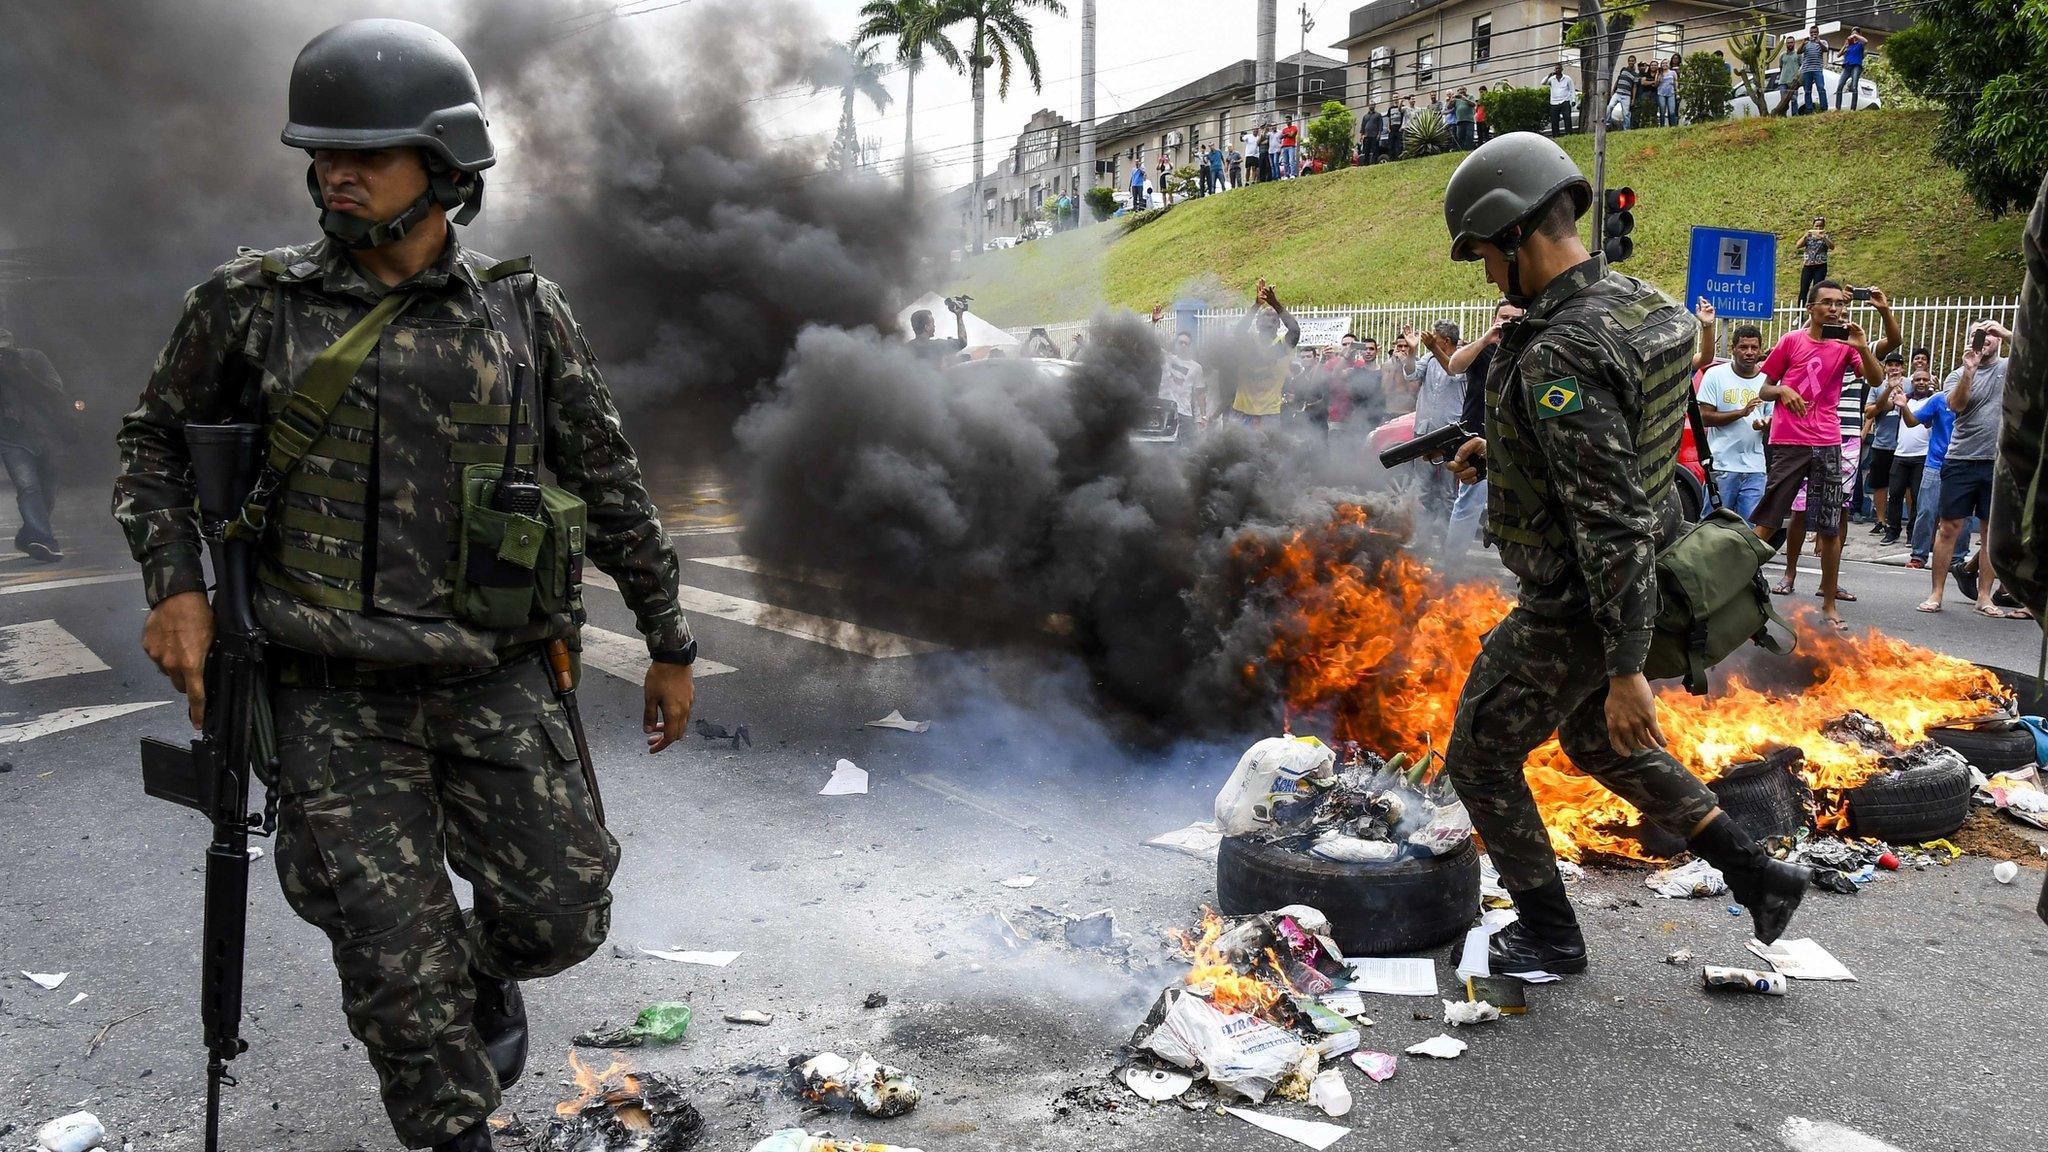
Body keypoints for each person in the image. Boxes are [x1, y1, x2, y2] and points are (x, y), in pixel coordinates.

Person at [111, 20, 699, 1152]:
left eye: (365, 152)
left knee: (563, 912)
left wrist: (669, 640)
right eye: (322, 151)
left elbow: (608, 478)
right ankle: (451, 1123)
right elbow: (152, 444)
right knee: (391, 951)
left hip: (495, 674)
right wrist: (175, 583)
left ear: (444, 165)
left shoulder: (523, 316)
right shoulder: (250, 305)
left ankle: (478, 974)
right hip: (330, 694)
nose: (335, 171)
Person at [1437, 132, 1810, 974]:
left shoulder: (1561, 348)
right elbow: (1618, 446)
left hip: (1582, 596)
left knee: (1479, 753)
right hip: (1635, 561)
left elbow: (1605, 519)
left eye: (1487, 259)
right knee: (1601, 746)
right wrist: (1501, 452)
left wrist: (1627, 666)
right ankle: (1757, 874)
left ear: (1518, 236)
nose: (1490, 278)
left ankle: (1550, 935)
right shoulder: (1647, 308)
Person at [1748, 281, 1882, 629]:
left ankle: (1829, 604)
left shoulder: (1846, 345)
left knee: (1829, 524)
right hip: (1788, 440)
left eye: (1839, 303)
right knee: (1769, 518)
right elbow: (1764, 388)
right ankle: (1737, 587)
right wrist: (1783, 390)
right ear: (1812, 308)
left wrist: (1863, 348)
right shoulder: (1792, 341)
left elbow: (1875, 376)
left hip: (1827, 440)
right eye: (1827, 303)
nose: (1835, 309)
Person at [1918, 321, 2025, 616]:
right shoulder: (1958, 373)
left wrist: (2006, 333)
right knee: (1948, 527)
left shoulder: (2011, 365)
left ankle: (1984, 596)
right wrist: (1970, 370)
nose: (1985, 338)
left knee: (1990, 531)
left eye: (1990, 333)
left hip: (1999, 463)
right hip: (1961, 459)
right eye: (1979, 335)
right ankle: (1936, 593)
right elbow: (1957, 405)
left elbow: (2037, 353)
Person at [0, 329, 75, 562]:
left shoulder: (34, 359)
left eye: (5, 349)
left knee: (48, 491)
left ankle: (28, 535)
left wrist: (22, 373)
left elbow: (55, 391)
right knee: (28, 488)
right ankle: (45, 540)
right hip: (13, 439)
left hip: (48, 435)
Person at [1695, 313, 1773, 520]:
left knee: (1750, 529)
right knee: (1713, 526)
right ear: (1733, 349)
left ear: (1760, 350)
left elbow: (1773, 419)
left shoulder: (1768, 380)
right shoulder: (1716, 375)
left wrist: (1765, 424)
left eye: (1754, 348)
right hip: (1722, 467)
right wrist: (1741, 413)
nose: (1749, 353)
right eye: (1743, 347)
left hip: (1755, 468)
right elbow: (1704, 417)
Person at [1217, 278, 1300, 426]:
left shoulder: (1282, 345)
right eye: (1265, 317)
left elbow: (1294, 330)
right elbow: (1239, 332)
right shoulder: (1248, 342)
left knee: (1268, 448)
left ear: (1279, 324)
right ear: (1257, 323)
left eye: (1274, 318)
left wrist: (1275, 303)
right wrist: (1256, 305)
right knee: (1235, 447)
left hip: (1269, 414)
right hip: (1242, 412)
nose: (1269, 320)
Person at [1886, 365, 1934, 551]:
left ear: (1929, 382)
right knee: (1895, 495)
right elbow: (1881, 408)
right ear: (1911, 382)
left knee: (1917, 497)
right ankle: (1892, 531)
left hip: (1922, 456)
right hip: (1900, 454)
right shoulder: (1902, 399)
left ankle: (1912, 533)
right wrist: (1892, 389)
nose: (1921, 383)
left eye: (1924, 379)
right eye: (1917, 380)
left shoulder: (1934, 401)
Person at [1862, 352, 1906, 538]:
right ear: (1885, 367)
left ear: (1902, 368)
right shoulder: (1877, 386)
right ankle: (1880, 521)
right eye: (1890, 364)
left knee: (1907, 487)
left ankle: (1910, 523)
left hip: (1904, 446)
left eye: (1898, 364)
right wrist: (1887, 397)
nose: (1894, 368)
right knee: (1880, 485)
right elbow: (1869, 412)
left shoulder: (1912, 382)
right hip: (1881, 443)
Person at [908, 296, 969, 363]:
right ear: (926, 327)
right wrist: (959, 316)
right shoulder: (937, 345)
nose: (934, 326)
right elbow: (963, 342)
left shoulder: (906, 348)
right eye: (932, 323)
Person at [1796, 216, 1833, 305]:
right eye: (1816, 226)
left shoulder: (1826, 236)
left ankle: (1814, 311)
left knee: (1816, 289)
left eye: (1820, 226)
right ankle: (1799, 314)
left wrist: (1824, 237)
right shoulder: (1809, 236)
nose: (1818, 228)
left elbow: (1832, 247)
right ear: (1813, 226)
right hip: (1808, 266)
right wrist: (1806, 235)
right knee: (1803, 289)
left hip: (1820, 266)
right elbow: (1798, 245)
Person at [1799, 26, 1828, 113]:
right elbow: (1798, 52)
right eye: (1811, 32)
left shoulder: (1822, 42)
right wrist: (1803, 43)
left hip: (1817, 69)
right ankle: (1809, 109)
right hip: (1806, 70)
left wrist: (1819, 42)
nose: (1813, 34)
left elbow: (1825, 49)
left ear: (1818, 33)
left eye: (1815, 32)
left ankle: (1824, 107)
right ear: (1809, 33)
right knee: (1807, 90)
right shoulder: (1806, 43)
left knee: (1821, 88)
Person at [1837, 27, 1868, 109]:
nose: (1853, 35)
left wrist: (1856, 36)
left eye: (1855, 33)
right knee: (1840, 85)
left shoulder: (1860, 44)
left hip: (1856, 66)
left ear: (1858, 34)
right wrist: (1845, 45)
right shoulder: (1849, 45)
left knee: (1854, 86)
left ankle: (1853, 108)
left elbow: (1866, 41)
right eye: (1852, 33)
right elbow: (1838, 55)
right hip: (1847, 66)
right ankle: (1838, 108)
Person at [1545, 64, 1577, 136]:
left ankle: (1569, 135)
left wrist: (1573, 100)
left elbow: (1572, 90)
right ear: (1554, 70)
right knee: (1554, 120)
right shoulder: (1552, 79)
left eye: (1559, 68)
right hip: (1554, 103)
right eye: (1556, 69)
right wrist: (1548, 76)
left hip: (1565, 101)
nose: (1557, 70)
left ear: (1562, 69)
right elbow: (1543, 83)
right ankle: (1556, 135)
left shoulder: (1567, 78)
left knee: (1567, 118)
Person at [1776, 35, 1804, 117]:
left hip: (1793, 82)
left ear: (1794, 43)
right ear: (1786, 44)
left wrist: (1798, 78)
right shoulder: (1782, 55)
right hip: (1783, 81)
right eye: (1788, 43)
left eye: (1791, 42)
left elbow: (1801, 66)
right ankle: (1782, 116)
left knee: (1794, 100)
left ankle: (1795, 115)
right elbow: (1780, 67)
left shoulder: (1798, 54)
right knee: (1783, 101)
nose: (1790, 44)